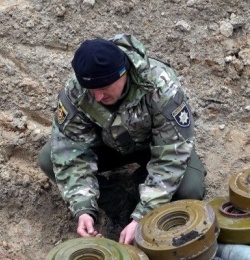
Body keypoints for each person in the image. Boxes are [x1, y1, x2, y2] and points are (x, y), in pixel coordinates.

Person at [39, 34, 206, 245]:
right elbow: (70, 152)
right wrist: (83, 208)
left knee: (190, 190)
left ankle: (142, 184)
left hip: (157, 146)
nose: (98, 97)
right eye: (92, 90)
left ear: (123, 73)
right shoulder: (76, 92)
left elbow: (172, 153)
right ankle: (119, 203)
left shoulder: (160, 85)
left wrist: (143, 215)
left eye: (103, 88)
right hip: (110, 146)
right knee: (49, 159)